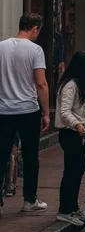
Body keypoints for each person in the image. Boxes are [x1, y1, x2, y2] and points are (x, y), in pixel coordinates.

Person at [0, 13, 50, 213]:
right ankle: (29, 200)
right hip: (28, 110)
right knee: (30, 156)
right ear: (35, 28)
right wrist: (46, 112)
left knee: (1, 155)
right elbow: (41, 83)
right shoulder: (35, 50)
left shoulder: (1, 47)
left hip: (3, 110)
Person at [55, 51, 85, 227]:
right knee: (71, 171)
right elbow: (64, 112)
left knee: (78, 171)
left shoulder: (78, 84)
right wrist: (77, 124)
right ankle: (64, 210)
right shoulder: (70, 86)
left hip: (79, 134)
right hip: (70, 133)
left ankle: (73, 207)